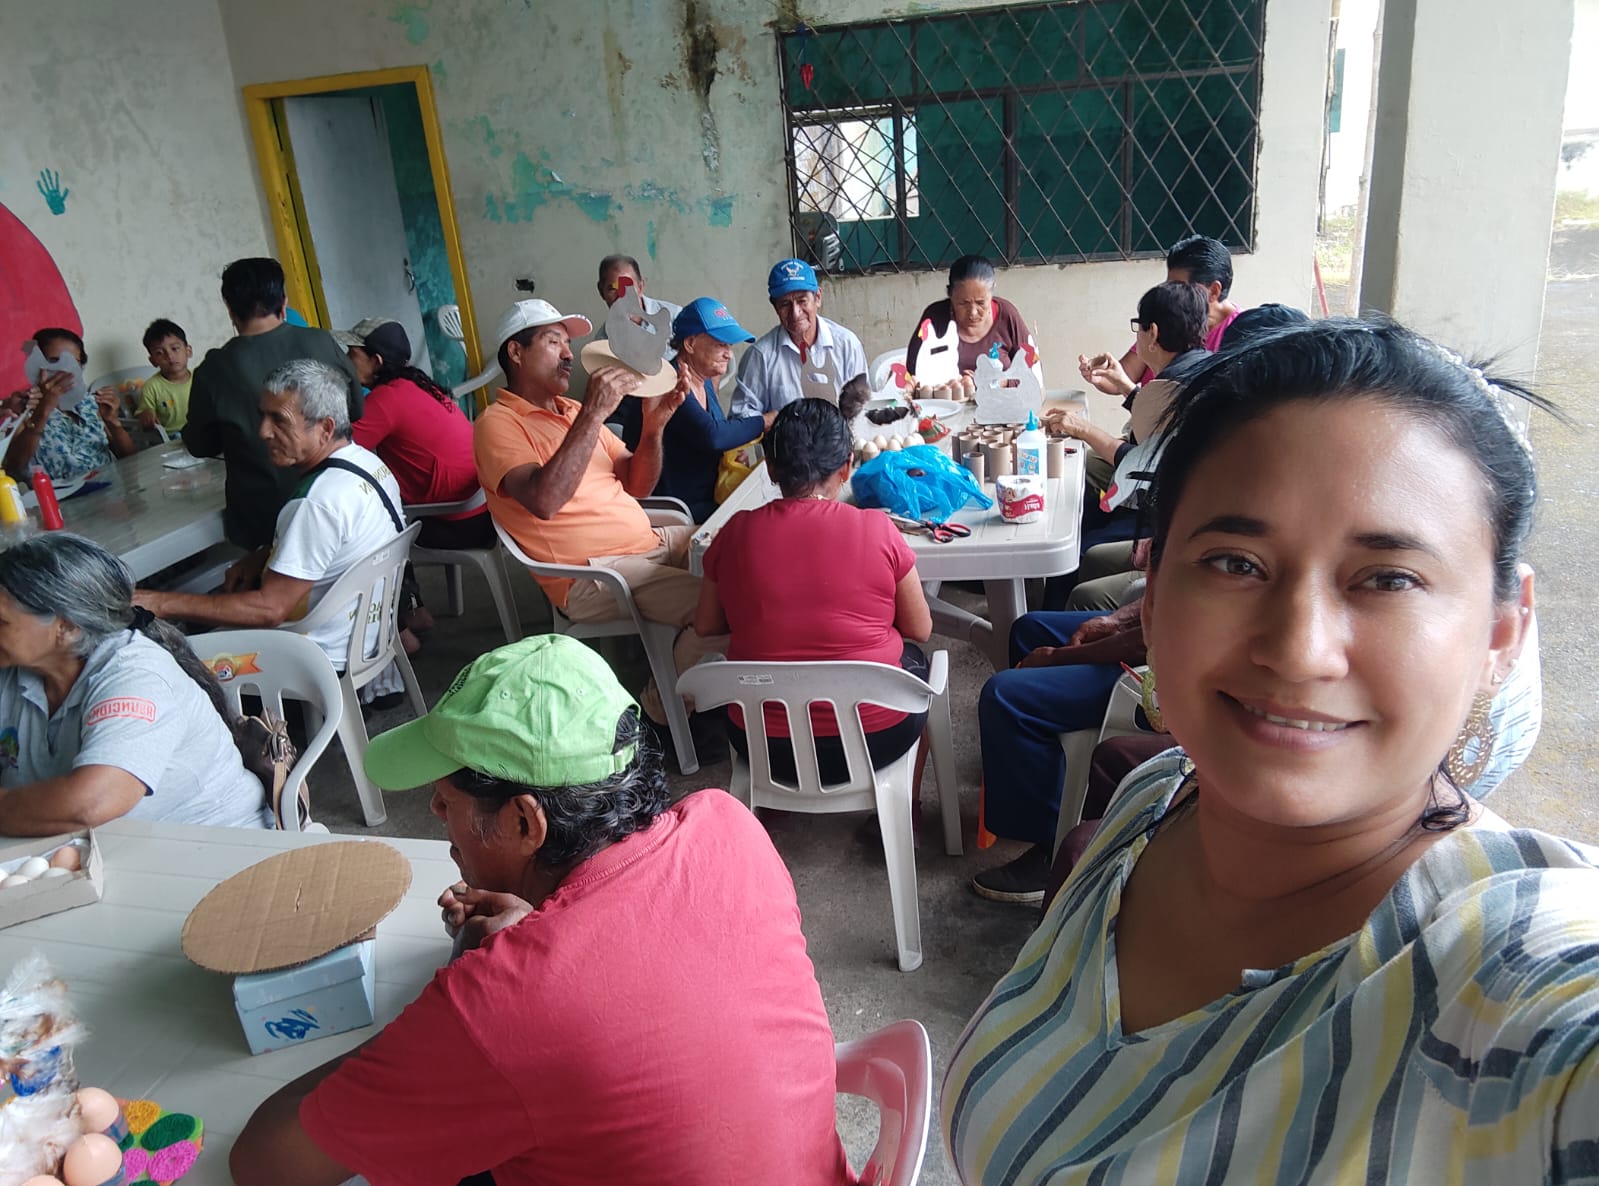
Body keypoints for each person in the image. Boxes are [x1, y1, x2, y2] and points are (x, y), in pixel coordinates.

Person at [941, 319, 1599, 1183]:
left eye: (1388, 579)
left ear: (1501, 633)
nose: (1297, 651)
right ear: (1153, 587)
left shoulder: (1511, 979)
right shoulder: (1153, 801)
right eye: (1235, 563)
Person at [230, 634, 855, 1186]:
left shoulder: (504, 1006)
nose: (436, 812)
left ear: (526, 822)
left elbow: (266, 1163)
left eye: (446, 799)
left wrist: (453, 1010)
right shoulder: (726, 825)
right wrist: (542, 936)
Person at [473, 300, 726, 737]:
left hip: (649, 542)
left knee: (737, 545)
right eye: (553, 342)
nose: (568, 354)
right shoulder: (497, 424)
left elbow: (638, 484)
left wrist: (653, 427)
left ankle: (705, 675)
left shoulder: (570, 412)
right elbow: (544, 500)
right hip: (593, 575)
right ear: (515, 352)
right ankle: (659, 712)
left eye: (568, 344)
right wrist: (593, 413)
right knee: (724, 605)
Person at [695, 397, 933, 781]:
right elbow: (920, 628)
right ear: (846, 467)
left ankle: (773, 800)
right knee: (918, 665)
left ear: (770, 468)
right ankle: (910, 806)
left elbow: (706, 625)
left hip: (764, 745)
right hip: (876, 737)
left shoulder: (735, 533)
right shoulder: (877, 529)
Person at [132, 359, 404, 682]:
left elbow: (269, 610)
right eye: (263, 416)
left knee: (165, 661)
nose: (263, 431)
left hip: (317, 658)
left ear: (325, 428)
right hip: (365, 637)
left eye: (279, 420)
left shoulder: (316, 503)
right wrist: (265, 555)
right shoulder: (368, 464)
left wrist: (158, 602)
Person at [0, 534, 272, 834]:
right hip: (102, 845)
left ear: (67, 627)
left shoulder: (137, 676)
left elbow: (91, 804)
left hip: (216, 844)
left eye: (2, 622)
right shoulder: (16, 671)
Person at [184, 258, 362, 550]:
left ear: (230, 309)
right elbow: (355, 410)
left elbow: (201, 445)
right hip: (340, 495)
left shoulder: (214, 368)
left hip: (266, 519)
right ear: (284, 302)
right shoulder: (321, 341)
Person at [336, 317, 492, 549]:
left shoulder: (386, 399)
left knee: (363, 524)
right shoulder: (417, 384)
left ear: (376, 361)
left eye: (352, 353)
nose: (346, 359)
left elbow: (335, 450)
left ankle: (403, 574)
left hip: (457, 522)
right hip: (483, 509)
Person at [613, 297, 775, 522]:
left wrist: (734, 454)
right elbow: (713, 436)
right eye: (721, 344)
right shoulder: (671, 383)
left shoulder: (704, 380)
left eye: (729, 346)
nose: (729, 354)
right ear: (690, 343)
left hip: (705, 499)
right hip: (676, 510)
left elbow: (713, 435)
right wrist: (765, 421)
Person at [1081, 234, 1240, 389]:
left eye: (1179, 286)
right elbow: (1124, 376)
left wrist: (1127, 388)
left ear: (1214, 290)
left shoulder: (1241, 336)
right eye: (1169, 284)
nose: (1170, 292)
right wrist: (1100, 375)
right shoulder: (1169, 314)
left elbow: (1176, 404)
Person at [731, 258, 866, 417]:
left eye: (802, 301)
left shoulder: (847, 345)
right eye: (785, 304)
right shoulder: (761, 356)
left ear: (818, 298)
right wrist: (773, 421)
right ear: (775, 306)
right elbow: (741, 415)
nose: (795, 313)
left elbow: (862, 408)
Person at [3, 327, 137, 481]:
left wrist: (113, 423)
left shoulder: (89, 403)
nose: (64, 370)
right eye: (54, 361)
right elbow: (14, 468)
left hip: (109, 489)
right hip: (55, 495)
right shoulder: (22, 407)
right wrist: (43, 411)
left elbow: (131, 459)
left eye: (72, 362)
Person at [903, 254, 1037, 380]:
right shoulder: (935, 318)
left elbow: (1032, 371)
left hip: (1002, 396)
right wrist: (952, 385)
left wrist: (1001, 382)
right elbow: (913, 370)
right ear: (950, 294)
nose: (973, 312)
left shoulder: (1007, 315)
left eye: (981, 303)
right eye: (963, 303)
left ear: (992, 292)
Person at [594, 253, 683, 360]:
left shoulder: (676, 317)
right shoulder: (603, 342)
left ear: (640, 287)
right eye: (613, 289)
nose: (621, 296)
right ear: (602, 292)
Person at [135, 318, 194, 434]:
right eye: (160, 353)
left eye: (174, 349)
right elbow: (143, 414)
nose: (169, 356)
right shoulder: (152, 387)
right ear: (153, 361)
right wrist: (146, 415)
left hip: (202, 432)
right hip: (171, 438)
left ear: (188, 351)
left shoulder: (200, 377)